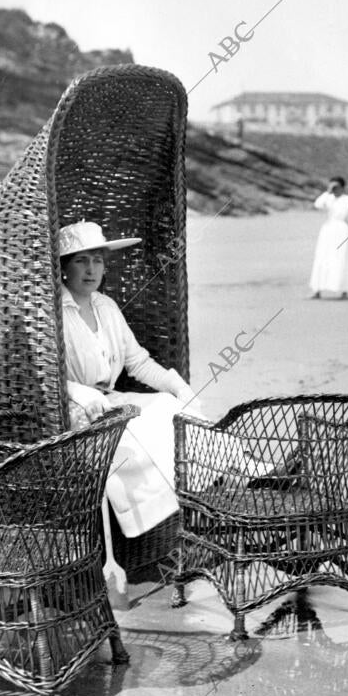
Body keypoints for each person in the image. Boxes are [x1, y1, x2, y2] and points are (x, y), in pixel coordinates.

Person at [58, 220, 201, 541]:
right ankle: (160, 514)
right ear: (64, 267)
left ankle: (250, 475)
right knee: (141, 429)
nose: (91, 269)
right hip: (74, 410)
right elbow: (41, 372)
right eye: (81, 260)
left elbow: (137, 361)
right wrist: (76, 390)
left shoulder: (106, 307)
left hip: (111, 399)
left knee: (170, 406)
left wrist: (176, 386)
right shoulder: (52, 312)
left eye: (97, 260)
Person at [310, 177, 348, 299]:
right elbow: (318, 204)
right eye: (332, 187)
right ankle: (317, 290)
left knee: (341, 257)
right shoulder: (328, 198)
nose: (334, 190)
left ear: (343, 188)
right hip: (327, 229)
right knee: (322, 256)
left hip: (342, 230)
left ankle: (344, 290)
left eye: (336, 187)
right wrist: (327, 192)